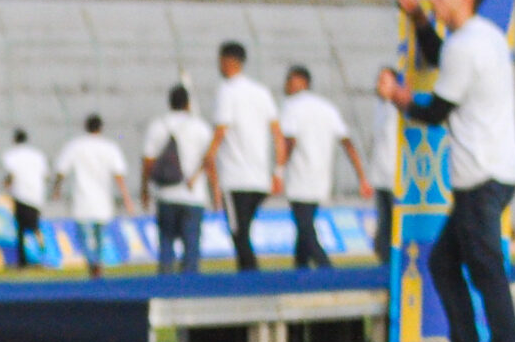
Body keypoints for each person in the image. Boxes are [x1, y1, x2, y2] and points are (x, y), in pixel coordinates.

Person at [380, 0, 515, 342]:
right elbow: (446, 60)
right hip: (488, 171)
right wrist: (419, 20)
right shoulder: (485, 37)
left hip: (482, 173)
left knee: (487, 271)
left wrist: (397, 96)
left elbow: (435, 111)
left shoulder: (467, 44)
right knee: (445, 264)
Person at [269, 66, 367, 272]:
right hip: (322, 177)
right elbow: (347, 143)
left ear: (300, 82)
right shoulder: (327, 108)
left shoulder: (291, 106)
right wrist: (361, 177)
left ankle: (327, 269)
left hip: (300, 177)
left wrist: (278, 172)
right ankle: (300, 270)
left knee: (305, 228)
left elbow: (289, 141)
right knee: (304, 225)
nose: (285, 85)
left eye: (289, 80)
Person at [204, 41, 277, 271]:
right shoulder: (262, 92)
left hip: (235, 177)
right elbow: (277, 133)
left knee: (238, 233)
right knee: (243, 230)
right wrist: (279, 171)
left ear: (228, 62)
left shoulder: (226, 91)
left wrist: (208, 158)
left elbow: (221, 131)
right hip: (259, 177)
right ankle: (250, 276)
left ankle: (251, 279)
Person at [142, 84, 214, 275]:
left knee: (166, 244)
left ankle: (165, 287)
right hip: (193, 194)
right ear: (188, 104)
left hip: (165, 194)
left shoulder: (158, 126)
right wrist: (216, 192)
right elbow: (209, 161)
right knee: (191, 246)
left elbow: (148, 162)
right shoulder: (200, 127)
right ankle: (190, 292)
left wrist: (144, 190)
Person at [51, 114, 130, 278]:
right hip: (103, 203)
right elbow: (119, 175)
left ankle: (92, 263)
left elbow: (61, 171)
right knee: (100, 238)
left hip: (82, 201)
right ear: (101, 127)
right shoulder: (109, 147)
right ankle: (97, 263)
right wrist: (126, 198)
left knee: (83, 238)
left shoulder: (75, 146)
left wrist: (56, 189)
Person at [0, 126, 48, 271]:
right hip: (36, 196)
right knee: (35, 227)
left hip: (21, 194)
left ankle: (24, 261)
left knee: (20, 229)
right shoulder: (37, 155)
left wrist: (6, 184)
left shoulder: (11, 155)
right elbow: (45, 175)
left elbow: (11, 174)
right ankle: (43, 255)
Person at [370, 65, 403, 261]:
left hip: (395, 178)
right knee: (383, 230)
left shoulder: (398, 110)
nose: (378, 85)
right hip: (381, 177)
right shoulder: (380, 108)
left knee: (392, 231)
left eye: (384, 81)